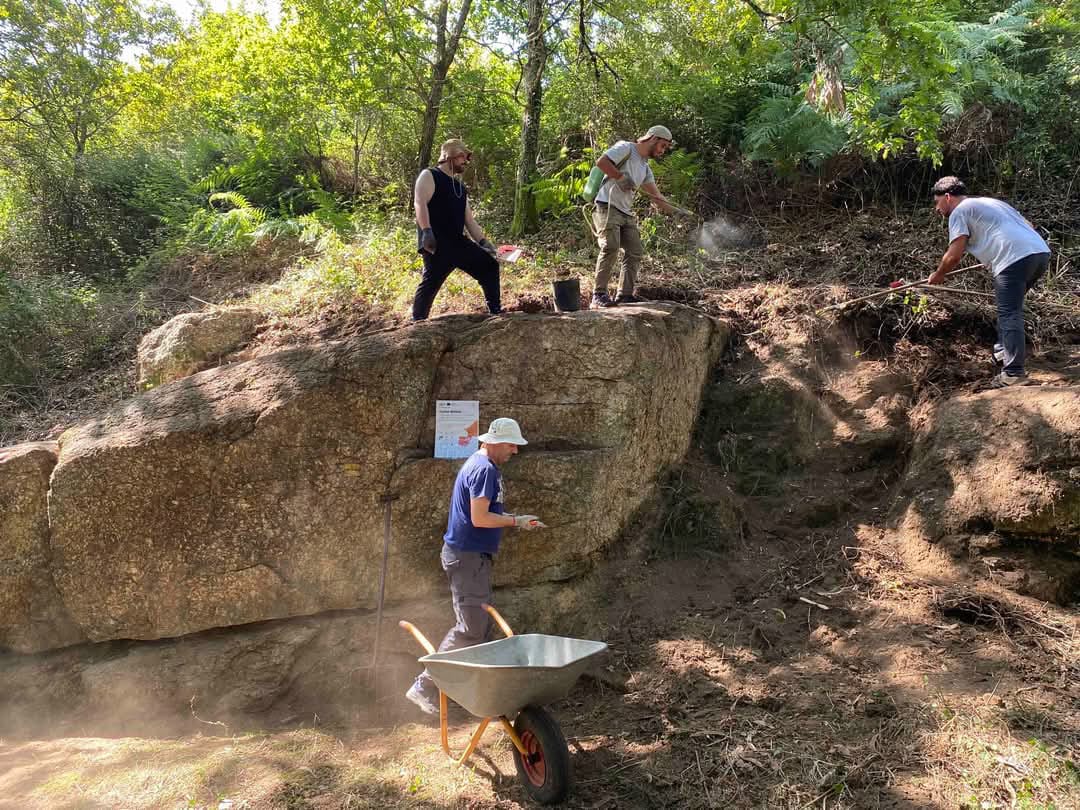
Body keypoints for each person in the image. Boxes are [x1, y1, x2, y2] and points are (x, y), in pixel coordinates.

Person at [405, 417, 544, 715]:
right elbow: (480, 518)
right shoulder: (483, 470)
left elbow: (485, 513)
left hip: (471, 558)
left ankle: (467, 692)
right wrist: (515, 522)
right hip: (466, 557)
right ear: (492, 442)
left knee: (478, 628)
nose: (515, 451)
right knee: (471, 628)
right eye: (511, 445)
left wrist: (517, 519)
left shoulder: (484, 467)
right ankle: (423, 685)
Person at [927, 176, 1051, 387]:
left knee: (1009, 312)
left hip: (1013, 258)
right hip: (1039, 254)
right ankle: (1003, 353)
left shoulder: (959, 211)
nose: (937, 209)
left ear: (947, 197)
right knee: (1010, 308)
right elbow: (1028, 225)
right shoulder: (994, 203)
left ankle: (1013, 373)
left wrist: (939, 274)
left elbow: (954, 255)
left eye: (937, 202)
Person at [589, 125, 693, 309]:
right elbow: (602, 162)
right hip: (607, 205)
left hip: (625, 212)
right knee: (610, 246)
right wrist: (620, 177)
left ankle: (624, 295)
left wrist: (678, 212)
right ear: (652, 138)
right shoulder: (626, 148)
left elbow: (657, 198)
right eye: (662, 146)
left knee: (635, 249)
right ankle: (598, 295)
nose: (662, 151)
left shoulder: (645, 168)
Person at [412, 138, 501, 321]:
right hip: (437, 243)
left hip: (457, 242)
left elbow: (469, 220)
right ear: (448, 157)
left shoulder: (460, 187)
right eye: (461, 157)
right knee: (430, 284)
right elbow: (420, 203)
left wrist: (484, 242)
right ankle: (416, 323)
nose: (465, 162)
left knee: (489, 266)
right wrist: (427, 231)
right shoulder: (430, 175)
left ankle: (495, 313)